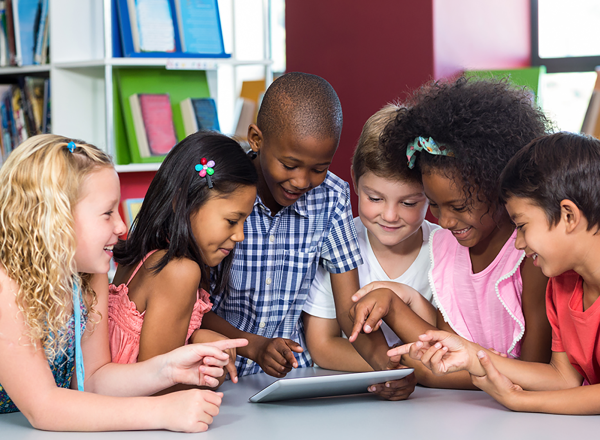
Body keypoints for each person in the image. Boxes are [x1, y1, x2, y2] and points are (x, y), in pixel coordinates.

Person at [0, 134, 246, 432]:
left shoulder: (90, 274)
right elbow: (44, 407)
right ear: (54, 219)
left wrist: (171, 369)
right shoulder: (6, 284)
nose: (120, 227)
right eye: (107, 213)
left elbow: (94, 380)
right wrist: (161, 411)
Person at [349, 77, 553, 389]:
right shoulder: (446, 246)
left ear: (496, 185)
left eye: (458, 206)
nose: (444, 221)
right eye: (434, 205)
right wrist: (390, 303)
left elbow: (533, 372)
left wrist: (439, 370)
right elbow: (445, 351)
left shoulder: (528, 255)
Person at [202, 72, 398, 392]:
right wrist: (255, 345)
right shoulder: (222, 194)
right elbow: (195, 307)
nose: (302, 181)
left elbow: (349, 311)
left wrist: (385, 370)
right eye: (289, 164)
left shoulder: (332, 196)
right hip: (221, 372)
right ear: (256, 139)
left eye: (318, 168)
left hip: (294, 377)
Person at [395, 132, 600, 413]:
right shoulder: (560, 285)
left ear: (568, 216)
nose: (517, 243)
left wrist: (519, 400)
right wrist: (469, 355)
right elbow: (563, 377)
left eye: (522, 225)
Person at [109, 132, 257, 389]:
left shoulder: (143, 256)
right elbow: (158, 386)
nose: (240, 235)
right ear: (183, 202)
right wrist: (212, 369)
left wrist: (196, 338)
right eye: (232, 221)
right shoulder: (179, 271)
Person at [302, 103, 438, 378]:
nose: (389, 215)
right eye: (374, 198)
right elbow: (323, 345)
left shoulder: (445, 250)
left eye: (409, 202)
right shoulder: (337, 242)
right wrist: (396, 368)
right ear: (355, 180)